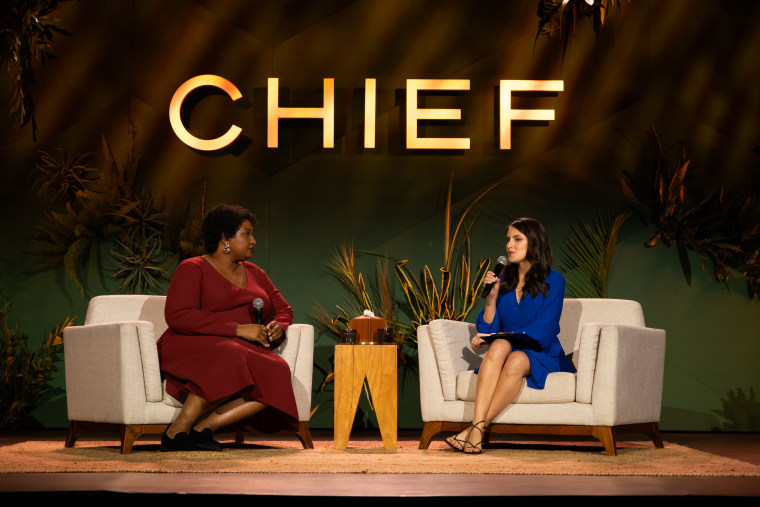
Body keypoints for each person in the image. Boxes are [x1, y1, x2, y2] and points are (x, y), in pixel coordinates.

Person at [157, 204, 298, 452]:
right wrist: (237, 329)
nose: (253, 240)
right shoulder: (192, 268)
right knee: (230, 352)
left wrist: (279, 325)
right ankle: (176, 431)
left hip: (238, 348)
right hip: (189, 344)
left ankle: (204, 428)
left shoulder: (257, 273)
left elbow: (284, 309)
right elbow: (178, 316)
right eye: (246, 234)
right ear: (225, 238)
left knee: (276, 369)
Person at [446, 217, 574, 454]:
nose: (509, 246)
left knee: (510, 353)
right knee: (499, 346)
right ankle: (477, 429)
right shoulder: (503, 279)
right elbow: (488, 327)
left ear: (534, 242)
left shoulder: (554, 280)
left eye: (517, 239)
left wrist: (495, 337)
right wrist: (492, 298)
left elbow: (544, 330)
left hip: (541, 352)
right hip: (508, 349)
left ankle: (475, 428)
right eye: (508, 240)